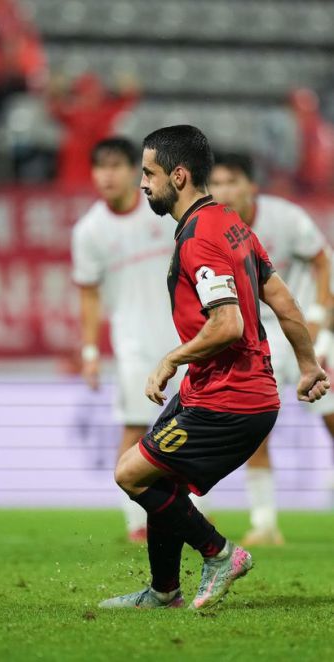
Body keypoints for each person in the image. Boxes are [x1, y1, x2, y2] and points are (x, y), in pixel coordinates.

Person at [99, 125, 329, 611]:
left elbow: (228, 324)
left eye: (149, 173)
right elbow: (282, 297)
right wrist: (308, 365)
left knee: (131, 475)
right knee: (161, 478)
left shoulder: (199, 237)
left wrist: (171, 358)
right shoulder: (230, 223)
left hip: (228, 399)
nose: (142, 184)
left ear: (178, 176)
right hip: (231, 389)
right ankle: (164, 592)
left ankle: (219, 553)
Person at [209, 152, 334, 545]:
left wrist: (319, 315)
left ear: (251, 186)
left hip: (303, 328)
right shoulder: (210, 230)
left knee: (331, 418)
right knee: (257, 424)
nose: (224, 191)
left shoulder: (285, 218)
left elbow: (322, 262)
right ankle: (265, 524)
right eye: (216, 183)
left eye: (231, 181)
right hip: (256, 336)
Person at [71, 137, 180, 542]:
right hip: (133, 344)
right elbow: (88, 294)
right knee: (134, 428)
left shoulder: (163, 211)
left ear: (135, 171)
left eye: (116, 166)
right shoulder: (89, 231)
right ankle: (136, 523)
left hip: (183, 341)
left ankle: (193, 516)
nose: (108, 175)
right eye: (100, 167)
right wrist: (89, 351)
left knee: (189, 430)